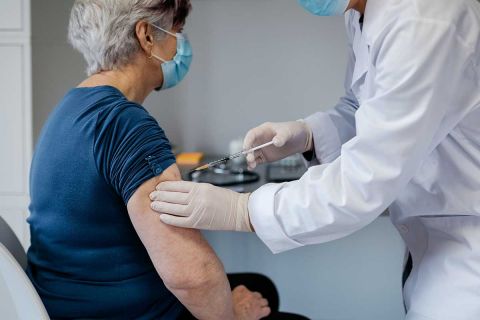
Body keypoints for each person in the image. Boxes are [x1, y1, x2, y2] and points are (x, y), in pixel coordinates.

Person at [150, 0, 480, 319]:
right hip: (436, 239)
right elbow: (365, 109)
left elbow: (362, 182)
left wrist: (242, 210)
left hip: (467, 248)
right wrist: (308, 134)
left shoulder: (425, 20)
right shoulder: (364, 14)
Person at [26, 1, 310, 319]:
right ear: (146, 36)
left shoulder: (70, 108)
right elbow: (191, 277)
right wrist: (233, 315)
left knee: (261, 288)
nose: (179, 46)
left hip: (67, 303)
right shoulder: (125, 122)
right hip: (130, 312)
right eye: (176, 32)